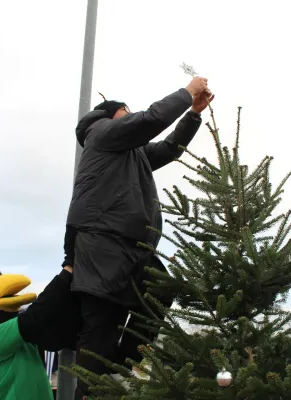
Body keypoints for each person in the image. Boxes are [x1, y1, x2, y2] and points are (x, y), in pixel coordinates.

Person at [64, 76, 213, 398]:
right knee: (101, 328)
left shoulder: (132, 152)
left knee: (161, 290)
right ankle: (92, 388)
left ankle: (121, 364)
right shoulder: (101, 132)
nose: (131, 116)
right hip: (103, 244)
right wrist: (186, 93)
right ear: (113, 114)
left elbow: (170, 149)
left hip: (133, 246)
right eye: (126, 111)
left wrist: (194, 114)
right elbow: (150, 120)